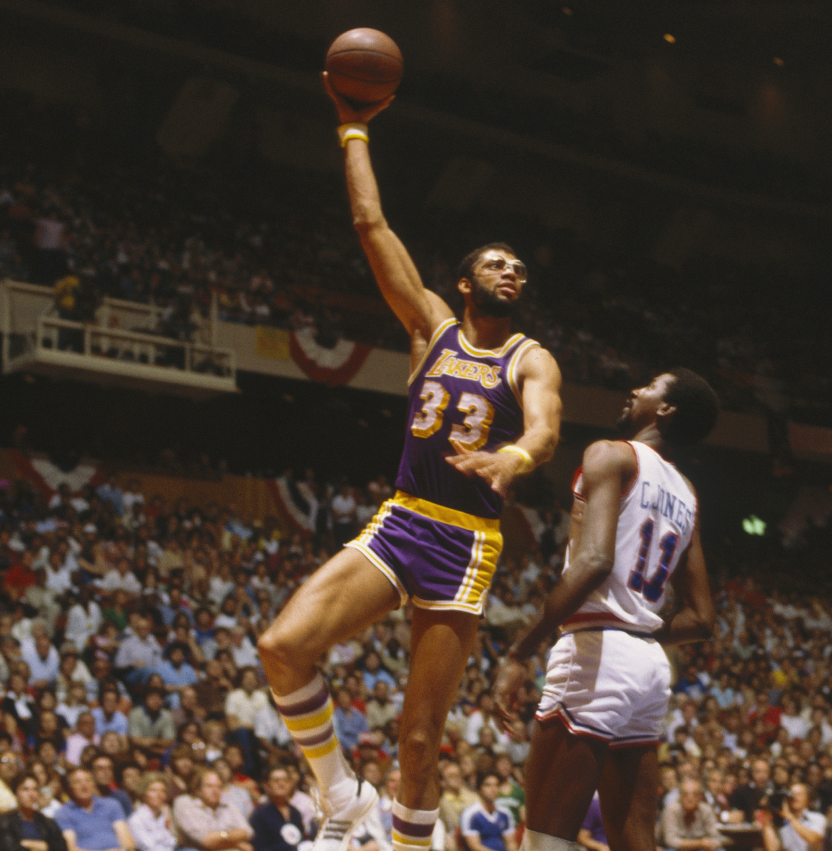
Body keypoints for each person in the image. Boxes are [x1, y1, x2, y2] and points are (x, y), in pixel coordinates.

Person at [256, 76, 563, 851]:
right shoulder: (430, 324)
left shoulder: (532, 358)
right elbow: (369, 222)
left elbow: (549, 429)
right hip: (403, 521)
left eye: (519, 268)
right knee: (282, 646)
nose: (511, 272)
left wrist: (515, 455)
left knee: (419, 740)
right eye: (497, 263)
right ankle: (340, 797)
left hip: (466, 541)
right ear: (464, 283)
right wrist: (353, 131)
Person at [492, 369, 719, 851]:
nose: (636, 390)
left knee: (545, 839)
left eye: (650, 386)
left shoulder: (611, 454)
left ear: (666, 409)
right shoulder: (686, 493)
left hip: (597, 650)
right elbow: (702, 619)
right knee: (635, 840)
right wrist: (637, 632)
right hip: (649, 669)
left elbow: (595, 561)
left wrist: (520, 651)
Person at [53, 768, 135, 851]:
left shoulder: (111, 805)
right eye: (77, 782)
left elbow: (127, 840)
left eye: (88, 780)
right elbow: (70, 847)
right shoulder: (63, 813)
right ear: (69, 788)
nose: (84, 785)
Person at [173, 768, 253, 851]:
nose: (215, 791)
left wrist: (220, 837)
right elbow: (206, 841)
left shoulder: (228, 805)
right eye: (209, 786)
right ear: (198, 790)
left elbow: (247, 832)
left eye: (218, 787)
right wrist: (236, 843)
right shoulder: (187, 806)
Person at [0, 774, 68, 851]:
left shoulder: (47, 822)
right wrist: (43, 846)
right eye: (25, 789)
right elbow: (9, 847)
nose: (31, 794)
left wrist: (29, 843)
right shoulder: (5, 821)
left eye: (34, 789)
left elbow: (61, 847)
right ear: (15, 793)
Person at [249, 767, 309, 851]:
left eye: (285, 780)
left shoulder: (296, 813)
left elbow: (302, 841)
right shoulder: (259, 815)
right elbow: (258, 847)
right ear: (266, 785)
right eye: (276, 780)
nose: (281, 784)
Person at [660, 778, 724, 851]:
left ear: (700, 796)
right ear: (679, 796)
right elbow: (670, 841)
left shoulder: (706, 810)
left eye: (695, 794)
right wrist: (699, 843)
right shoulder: (671, 809)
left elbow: (717, 838)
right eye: (685, 794)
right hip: (677, 849)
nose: (690, 798)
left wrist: (711, 844)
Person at [459, 773, 516, 851]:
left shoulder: (505, 813)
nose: (493, 789)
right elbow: (474, 846)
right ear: (479, 789)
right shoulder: (470, 814)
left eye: (496, 785)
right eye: (488, 785)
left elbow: (511, 843)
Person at [127, 778, 177, 851]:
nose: (159, 795)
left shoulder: (163, 816)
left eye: (163, 791)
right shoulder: (136, 820)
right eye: (153, 790)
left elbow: (173, 841)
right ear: (144, 794)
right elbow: (148, 846)